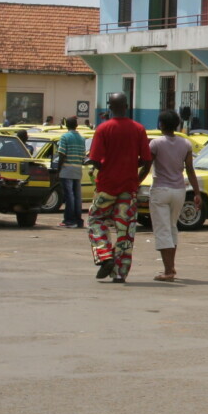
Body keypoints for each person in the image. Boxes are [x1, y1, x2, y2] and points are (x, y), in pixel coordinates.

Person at [86, 93, 152, 283]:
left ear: (110, 107)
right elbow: (146, 161)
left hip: (106, 186)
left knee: (95, 220)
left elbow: (94, 160)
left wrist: (106, 168)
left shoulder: (103, 128)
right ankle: (120, 272)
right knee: (126, 230)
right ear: (127, 106)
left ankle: (104, 255)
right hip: (128, 188)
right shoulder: (138, 129)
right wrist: (135, 178)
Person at [148, 110, 204, 282]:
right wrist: (197, 193)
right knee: (172, 227)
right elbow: (190, 169)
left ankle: (168, 271)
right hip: (179, 190)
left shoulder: (155, 143)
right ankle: (171, 266)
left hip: (160, 190)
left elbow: (146, 166)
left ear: (161, 124)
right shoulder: (185, 144)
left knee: (162, 230)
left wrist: (134, 184)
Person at [53, 116, 88, 228]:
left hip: (67, 169)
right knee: (77, 196)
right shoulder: (82, 138)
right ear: (76, 125)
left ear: (66, 125)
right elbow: (83, 155)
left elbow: (62, 154)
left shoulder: (65, 137)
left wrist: (58, 170)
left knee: (69, 196)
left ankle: (69, 220)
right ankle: (78, 220)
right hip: (77, 169)